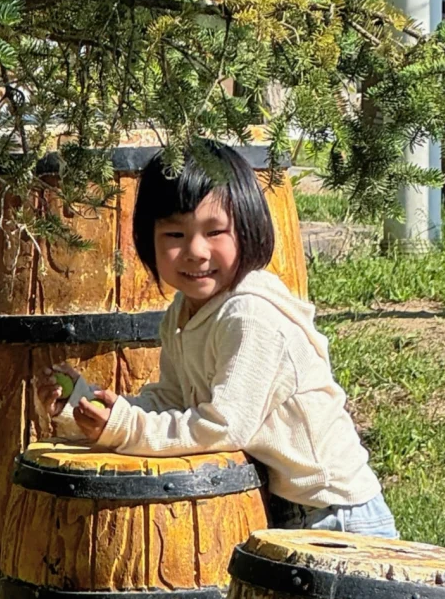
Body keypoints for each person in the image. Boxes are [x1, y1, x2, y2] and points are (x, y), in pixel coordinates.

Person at [36, 141, 397, 536]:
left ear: (248, 229)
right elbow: (172, 401)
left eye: (215, 232)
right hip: (285, 506)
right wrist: (93, 412)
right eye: (174, 233)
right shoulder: (183, 312)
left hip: (336, 516)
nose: (195, 251)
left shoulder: (249, 316)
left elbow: (223, 426)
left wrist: (127, 428)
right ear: (146, 239)